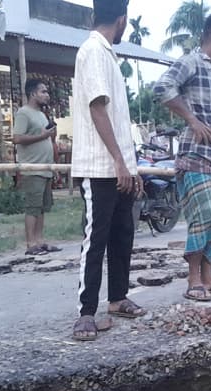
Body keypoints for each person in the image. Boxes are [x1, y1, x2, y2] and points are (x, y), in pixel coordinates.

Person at [154, 13, 211, 302]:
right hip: (196, 156)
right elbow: (161, 88)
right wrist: (192, 120)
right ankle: (193, 279)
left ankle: (208, 277)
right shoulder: (191, 62)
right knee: (202, 217)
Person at [70, 0, 146, 341]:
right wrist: (117, 160)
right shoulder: (92, 51)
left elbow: (117, 119)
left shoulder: (108, 55)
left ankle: (117, 298)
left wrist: (130, 166)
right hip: (99, 166)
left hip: (118, 167)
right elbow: (97, 108)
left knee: (122, 235)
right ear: (122, 20)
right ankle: (87, 312)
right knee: (95, 239)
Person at [13, 78, 58, 256]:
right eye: (43, 92)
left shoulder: (41, 114)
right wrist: (41, 136)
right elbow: (16, 138)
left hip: (45, 167)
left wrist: (50, 135)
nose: (46, 95)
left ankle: (40, 241)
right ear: (33, 94)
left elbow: (45, 137)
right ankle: (31, 243)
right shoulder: (23, 113)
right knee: (32, 207)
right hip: (33, 168)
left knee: (41, 207)